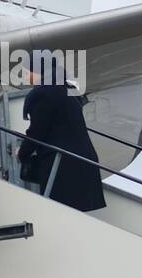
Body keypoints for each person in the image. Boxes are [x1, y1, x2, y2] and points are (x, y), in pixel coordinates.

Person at [17, 62, 106, 211]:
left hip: (64, 166)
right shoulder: (66, 90)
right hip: (82, 162)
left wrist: (22, 152)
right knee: (73, 218)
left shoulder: (43, 94)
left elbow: (37, 132)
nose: (26, 76)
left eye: (28, 71)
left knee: (61, 216)